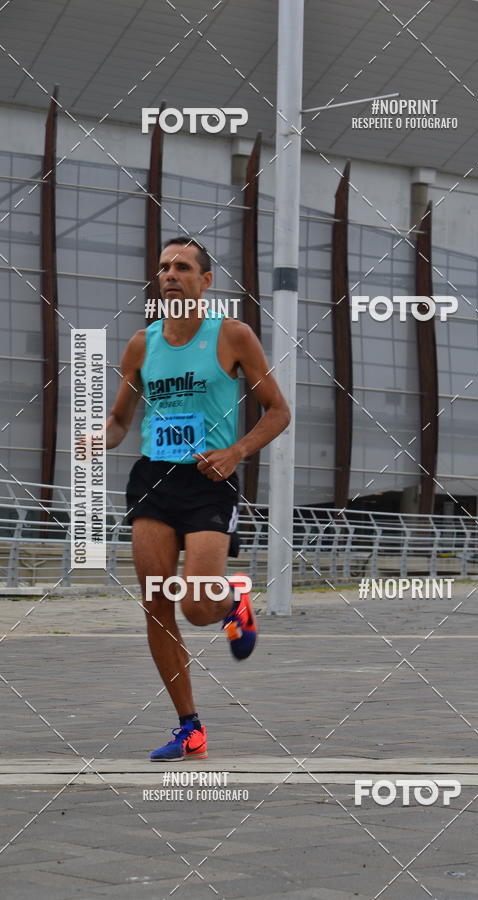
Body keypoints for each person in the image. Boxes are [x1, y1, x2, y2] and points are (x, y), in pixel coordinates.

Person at [104, 237, 290, 759]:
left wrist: (237, 451)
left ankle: (233, 604)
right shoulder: (142, 344)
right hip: (153, 482)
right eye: (163, 266)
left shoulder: (231, 336)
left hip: (209, 481)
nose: (170, 273)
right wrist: (101, 438)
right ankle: (190, 727)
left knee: (198, 606)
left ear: (205, 282)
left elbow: (277, 410)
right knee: (157, 603)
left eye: (182, 266)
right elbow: (121, 419)